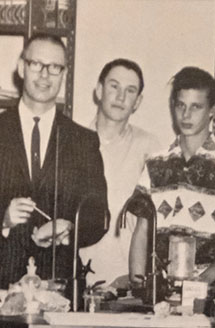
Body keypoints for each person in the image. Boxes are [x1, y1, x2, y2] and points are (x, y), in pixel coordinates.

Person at [0, 34, 108, 289]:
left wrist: (69, 228)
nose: (44, 75)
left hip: (59, 281)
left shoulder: (84, 141)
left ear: (64, 74)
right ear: (21, 67)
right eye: (36, 64)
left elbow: (100, 216)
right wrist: (2, 218)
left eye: (54, 67)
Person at [123, 67, 215, 286]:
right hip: (160, 290)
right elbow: (142, 232)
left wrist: (207, 278)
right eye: (181, 105)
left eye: (196, 107)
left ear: (212, 110)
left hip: (209, 290)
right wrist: (138, 286)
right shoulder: (155, 164)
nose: (186, 115)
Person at [83, 58, 162, 284]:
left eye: (130, 91)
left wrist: (137, 278)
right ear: (99, 90)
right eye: (114, 86)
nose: (120, 97)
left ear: (137, 102)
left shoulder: (150, 148)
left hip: (125, 282)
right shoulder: (72, 141)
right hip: (74, 278)